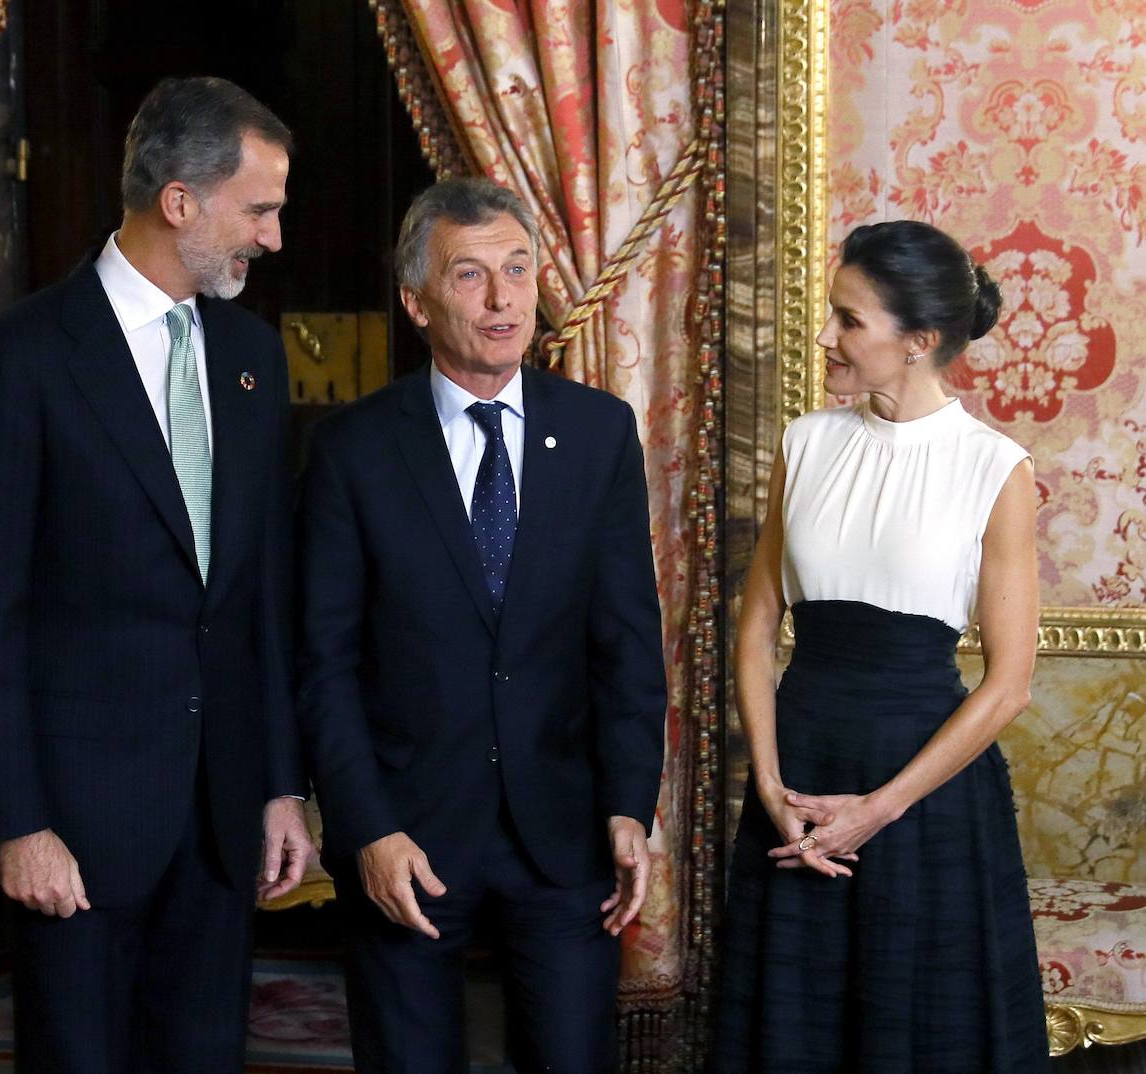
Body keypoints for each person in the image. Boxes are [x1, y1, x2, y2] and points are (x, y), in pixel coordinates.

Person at [0, 77, 311, 1074]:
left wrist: (277, 786)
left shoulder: (252, 360)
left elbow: (258, 602)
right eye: (259, 209)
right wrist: (17, 823)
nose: (273, 237)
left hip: (219, 821)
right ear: (180, 200)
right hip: (77, 823)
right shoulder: (21, 361)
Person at [296, 177, 667, 1073]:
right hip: (406, 833)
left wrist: (628, 803)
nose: (504, 301)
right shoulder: (352, 450)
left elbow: (627, 642)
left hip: (564, 831)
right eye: (470, 275)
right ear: (417, 300)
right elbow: (323, 661)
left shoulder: (599, 433)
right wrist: (366, 829)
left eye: (518, 268)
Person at [711, 220, 1048, 1073]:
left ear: (919, 342)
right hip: (798, 782)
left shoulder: (994, 466)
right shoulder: (806, 443)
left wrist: (882, 807)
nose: (826, 336)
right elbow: (755, 628)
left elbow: (1008, 685)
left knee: (923, 1038)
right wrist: (770, 779)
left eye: (848, 320)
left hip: (923, 796)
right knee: (792, 1037)